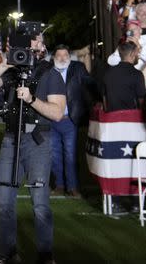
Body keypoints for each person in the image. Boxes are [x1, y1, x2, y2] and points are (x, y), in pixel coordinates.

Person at [0, 25, 66, 264]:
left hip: (38, 141)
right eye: (27, 42)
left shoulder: (51, 74)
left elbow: (58, 113)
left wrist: (31, 99)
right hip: (10, 140)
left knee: (40, 204)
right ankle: (7, 252)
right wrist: (4, 65)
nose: (31, 46)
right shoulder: (11, 72)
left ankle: (45, 254)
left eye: (35, 41)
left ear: (42, 45)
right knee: (4, 201)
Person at [48, 45, 94, 198]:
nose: (62, 58)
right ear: (54, 57)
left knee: (70, 155)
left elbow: (90, 84)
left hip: (70, 120)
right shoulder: (48, 70)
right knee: (55, 156)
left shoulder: (78, 68)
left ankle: (73, 187)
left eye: (65, 55)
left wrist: (102, 97)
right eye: (59, 55)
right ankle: (59, 186)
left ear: (69, 56)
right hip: (52, 119)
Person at [102, 42, 146, 111]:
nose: (139, 56)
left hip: (111, 118)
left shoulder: (108, 73)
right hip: (130, 119)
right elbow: (141, 102)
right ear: (132, 54)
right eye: (137, 53)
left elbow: (104, 98)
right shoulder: (137, 74)